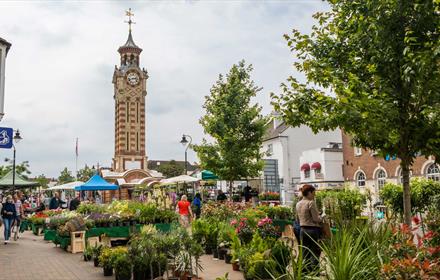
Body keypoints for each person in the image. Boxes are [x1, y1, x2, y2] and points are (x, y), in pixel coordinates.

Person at [296, 184, 322, 273]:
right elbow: (316, 219)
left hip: (302, 230)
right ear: (309, 192)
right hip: (312, 230)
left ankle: (304, 272)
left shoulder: (298, 204)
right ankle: (315, 272)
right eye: (314, 192)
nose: (314, 194)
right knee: (315, 252)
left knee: (304, 252)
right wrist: (322, 217)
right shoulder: (311, 202)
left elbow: (297, 219)